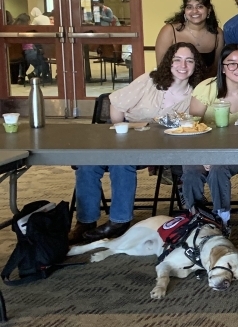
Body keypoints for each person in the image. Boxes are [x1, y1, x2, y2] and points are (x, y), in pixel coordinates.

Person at [69, 43, 204, 244]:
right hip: (123, 137)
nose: (183, 65)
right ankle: (86, 221)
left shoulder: (196, 94)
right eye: (177, 59)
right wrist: (120, 130)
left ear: (195, 65)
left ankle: (119, 221)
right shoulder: (150, 80)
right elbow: (117, 103)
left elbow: (189, 126)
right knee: (88, 163)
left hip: (158, 147)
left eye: (189, 60)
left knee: (122, 162)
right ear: (169, 62)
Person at [182, 44, 238, 231]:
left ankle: (222, 219)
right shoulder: (207, 88)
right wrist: (205, 155)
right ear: (222, 68)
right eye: (232, 64)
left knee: (219, 168)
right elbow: (192, 127)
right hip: (202, 149)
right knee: (191, 170)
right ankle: (195, 215)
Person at [155, 0, 223, 79]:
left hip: (204, 88)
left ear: (209, 10)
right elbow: (162, 67)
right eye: (189, 7)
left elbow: (216, 70)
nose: (194, 11)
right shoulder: (169, 31)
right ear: (184, 11)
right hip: (174, 87)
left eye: (200, 6)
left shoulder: (217, 33)